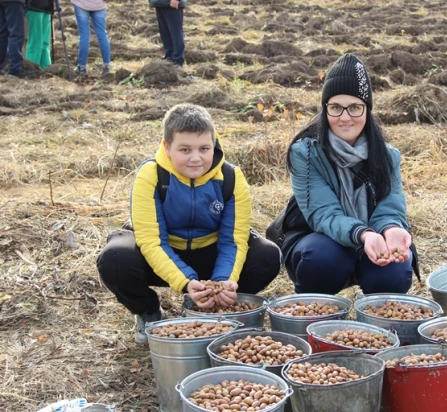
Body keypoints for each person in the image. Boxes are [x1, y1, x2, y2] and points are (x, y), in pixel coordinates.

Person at [97, 104, 281, 344]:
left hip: (210, 252)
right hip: (161, 252)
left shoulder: (231, 178)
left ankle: (213, 306)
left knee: (267, 255)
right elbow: (152, 241)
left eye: (204, 148)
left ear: (213, 144)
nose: (196, 158)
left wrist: (224, 280)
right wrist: (185, 282)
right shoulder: (150, 175)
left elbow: (233, 239)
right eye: (185, 149)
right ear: (167, 147)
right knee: (114, 258)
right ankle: (148, 312)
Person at [282, 53, 419, 296]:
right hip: (324, 240)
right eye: (336, 108)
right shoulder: (306, 152)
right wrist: (363, 234)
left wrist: (390, 229)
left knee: (396, 271)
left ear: (367, 109)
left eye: (355, 107)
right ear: (325, 110)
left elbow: (391, 207)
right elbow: (323, 214)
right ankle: (315, 312)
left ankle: (379, 322)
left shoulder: (387, 156)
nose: (345, 118)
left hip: (374, 240)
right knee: (322, 258)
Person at [71, 0, 111, 76]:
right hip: (99, 5)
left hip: (81, 4)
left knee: (84, 35)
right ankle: (107, 66)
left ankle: (82, 68)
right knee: (102, 35)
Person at [0, 0, 34, 77]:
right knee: (16, 33)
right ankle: (14, 68)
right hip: (14, 2)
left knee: (2, 33)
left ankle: (3, 65)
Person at [149, 0, 185, 68]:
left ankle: (177, 60)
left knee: (175, 33)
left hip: (172, 3)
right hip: (160, 3)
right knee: (165, 33)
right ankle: (169, 58)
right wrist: (151, 2)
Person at [25, 0, 53, 69]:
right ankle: (32, 68)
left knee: (45, 42)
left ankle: (46, 68)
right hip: (34, 7)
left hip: (47, 8)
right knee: (35, 41)